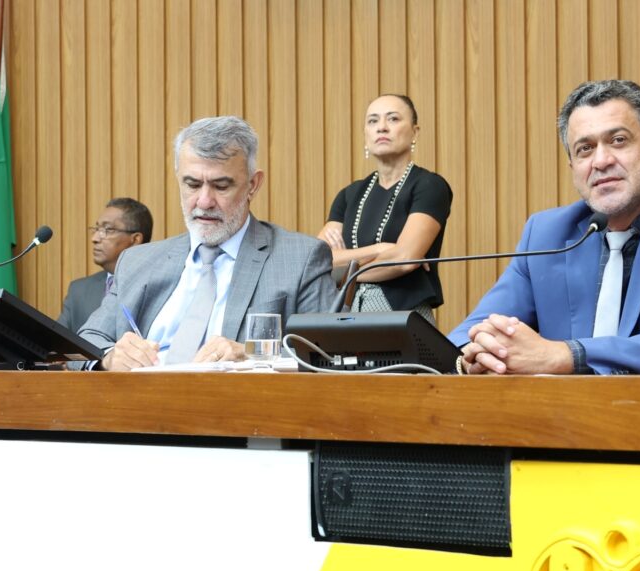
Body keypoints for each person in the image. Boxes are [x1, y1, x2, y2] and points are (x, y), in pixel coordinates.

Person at [450, 80, 640, 375]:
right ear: (573, 168)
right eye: (585, 149)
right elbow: (466, 336)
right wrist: (474, 357)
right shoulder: (547, 234)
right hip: (563, 409)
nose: (601, 161)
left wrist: (564, 355)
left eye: (618, 140)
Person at [77, 115, 336, 370]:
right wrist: (110, 356)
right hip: (140, 394)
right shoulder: (138, 261)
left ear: (253, 185)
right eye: (192, 184)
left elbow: (329, 354)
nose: (203, 201)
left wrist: (254, 356)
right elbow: (85, 342)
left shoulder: (300, 259)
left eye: (221, 186)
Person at [318, 94, 452, 321]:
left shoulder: (430, 186)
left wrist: (346, 272)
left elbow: (405, 259)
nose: (381, 127)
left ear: (415, 132)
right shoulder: (349, 194)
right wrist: (380, 250)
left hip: (404, 316)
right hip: (346, 315)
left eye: (393, 119)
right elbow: (320, 262)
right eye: (373, 121)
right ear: (365, 135)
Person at [57, 197, 153, 332]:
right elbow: (56, 341)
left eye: (108, 229)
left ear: (135, 239)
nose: (95, 238)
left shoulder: (157, 286)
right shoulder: (79, 291)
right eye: (97, 229)